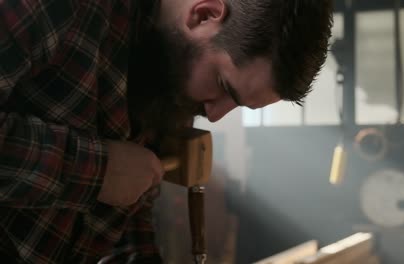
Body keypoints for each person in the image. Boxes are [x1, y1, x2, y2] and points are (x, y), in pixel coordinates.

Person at [0, 0, 333, 262]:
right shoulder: (64, 7)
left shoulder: (170, 75)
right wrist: (95, 171)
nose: (214, 116)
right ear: (203, 15)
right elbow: (108, 178)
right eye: (223, 86)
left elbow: (126, 225)